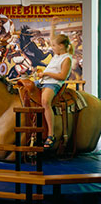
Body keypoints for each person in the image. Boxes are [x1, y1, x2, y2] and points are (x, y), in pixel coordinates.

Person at [35, 17, 74, 149]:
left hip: (53, 83)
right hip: (43, 80)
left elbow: (62, 76)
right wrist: (52, 25)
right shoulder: (57, 54)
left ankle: (51, 134)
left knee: (45, 102)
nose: (52, 47)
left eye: (54, 46)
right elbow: (53, 38)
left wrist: (45, 73)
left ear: (61, 46)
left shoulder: (67, 58)